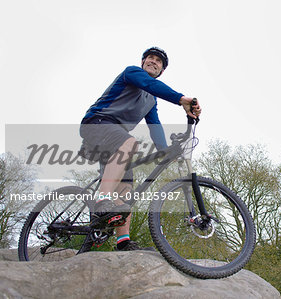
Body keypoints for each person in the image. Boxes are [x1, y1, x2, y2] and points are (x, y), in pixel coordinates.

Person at [79, 47, 201, 251]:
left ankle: (123, 241)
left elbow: (154, 125)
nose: (153, 61)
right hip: (98, 122)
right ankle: (103, 199)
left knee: (126, 190)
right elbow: (148, 83)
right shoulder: (132, 73)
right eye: (150, 58)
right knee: (130, 143)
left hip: (113, 139)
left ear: (161, 70)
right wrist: (181, 99)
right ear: (143, 62)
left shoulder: (150, 100)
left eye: (158, 61)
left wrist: (165, 151)